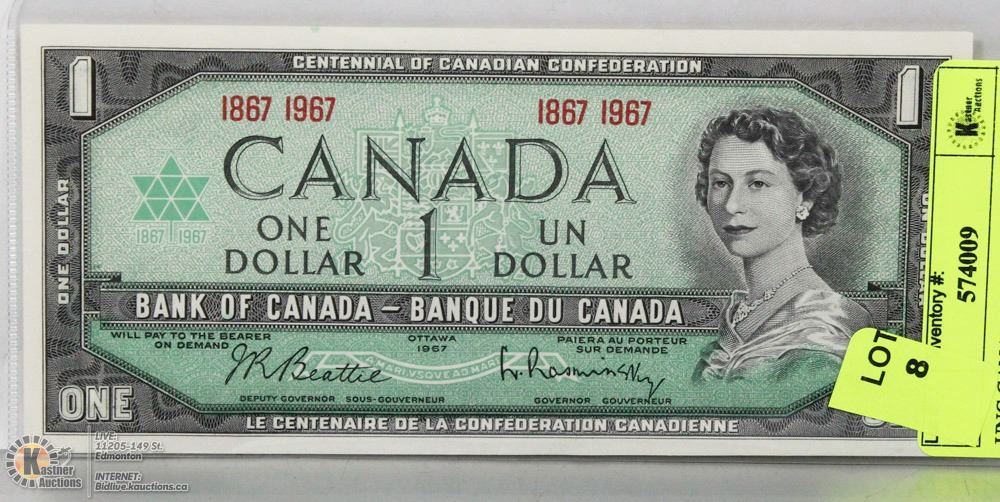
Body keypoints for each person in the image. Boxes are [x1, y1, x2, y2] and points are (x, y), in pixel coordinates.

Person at [691, 108, 872, 383]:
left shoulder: (820, 335)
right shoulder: (739, 314)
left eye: (757, 183)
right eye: (721, 183)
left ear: (806, 198)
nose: (732, 205)